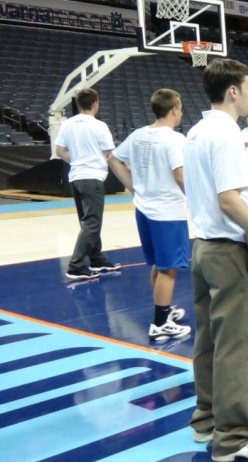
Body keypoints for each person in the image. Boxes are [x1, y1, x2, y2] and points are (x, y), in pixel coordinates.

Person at [183, 58, 248, 462]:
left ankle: (206, 420)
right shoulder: (226, 134)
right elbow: (229, 201)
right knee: (238, 345)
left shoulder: (195, 131)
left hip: (201, 248)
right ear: (232, 91)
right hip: (227, 252)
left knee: (208, 340)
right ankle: (233, 439)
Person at [108, 89, 192, 342]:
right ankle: (160, 324)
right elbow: (180, 176)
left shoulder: (138, 135)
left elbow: (113, 159)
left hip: (144, 210)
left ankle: (163, 311)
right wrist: (199, 203)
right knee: (169, 269)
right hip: (167, 212)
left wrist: (133, 186)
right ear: (175, 109)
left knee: (158, 264)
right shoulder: (175, 139)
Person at [54, 87, 121, 281]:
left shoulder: (67, 124)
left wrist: (75, 161)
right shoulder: (99, 126)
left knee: (87, 222)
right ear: (95, 104)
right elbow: (110, 154)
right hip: (92, 178)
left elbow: (59, 151)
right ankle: (75, 266)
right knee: (92, 223)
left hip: (75, 177)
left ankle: (96, 257)